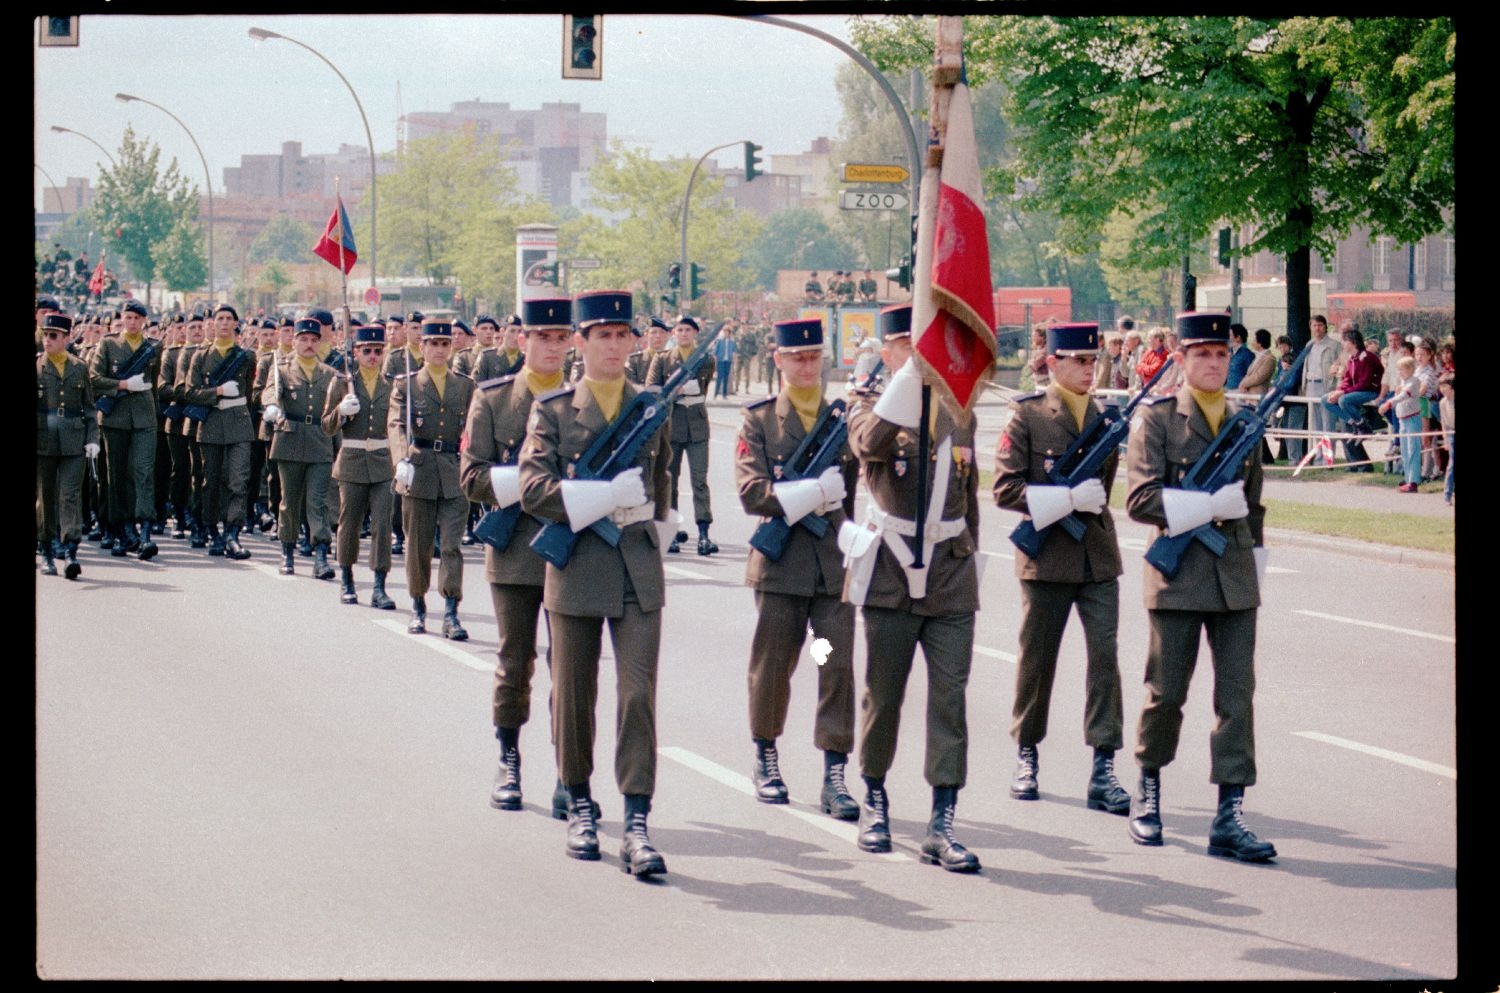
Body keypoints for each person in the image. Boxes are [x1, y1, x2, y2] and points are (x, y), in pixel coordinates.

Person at [518, 289, 673, 877]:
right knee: (575, 696)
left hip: (636, 566)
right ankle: (580, 801)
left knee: (637, 694)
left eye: (622, 335)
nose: (613, 345)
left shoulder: (650, 405)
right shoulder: (553, 410)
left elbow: (662, 483)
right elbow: (534, 490)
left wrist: (661, 522)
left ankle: (637, 819)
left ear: (634, 342)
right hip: (578, 562)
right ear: (579, 342)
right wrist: (601, 496)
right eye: (601, 335)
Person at [1124, 311, 1275, 862]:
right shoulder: (1159, 420)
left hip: (1233, 579)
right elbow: (1139, 500)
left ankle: (1229, 815)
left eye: (1220, 353)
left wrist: (1255, 568)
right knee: (1166, 694)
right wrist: (1207, 506)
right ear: (1182, 361)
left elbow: (1253, 506)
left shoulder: (1244, 424)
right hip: (1178, 575)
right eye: (1201, 354)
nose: (1213, 363)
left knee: (1236, 698)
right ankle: (1149, 792)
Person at [840, 303, 982, 873]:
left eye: (922, 346)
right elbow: (870, 446)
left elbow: (967, 501)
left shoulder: (958, 409)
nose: (918, 356)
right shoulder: (866, 407)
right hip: (891, 573)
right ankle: (875, 797)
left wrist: (970, 558)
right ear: (888, 351)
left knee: (949, 700)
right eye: (906, 345)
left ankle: (942, 820)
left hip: (949, 575)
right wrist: (904, 381)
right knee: (884, 694)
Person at [993, 322, 1130, 816]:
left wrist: (1085, 499)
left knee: (1105, 664)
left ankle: (1104, 765)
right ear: (1052, 362)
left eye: (1093, 361)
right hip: (1046, 556)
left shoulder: (1106, 418)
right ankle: (1026, 753)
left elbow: (1107, 488)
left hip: (1095, 556)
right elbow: (1005, 490)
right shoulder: (1027, 416)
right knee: (1037, 662)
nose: (1088, 369)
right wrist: (1066, 496)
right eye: (1077, 360)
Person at [460, 297, 586, 818]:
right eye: (543, 338)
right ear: (522, 341)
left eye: (561, 339)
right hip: (515, 547)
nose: (553, 347)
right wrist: (529, 485)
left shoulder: (586, 400)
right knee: (516, 662)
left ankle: (566, 771)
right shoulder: (492, 400)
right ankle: (508, 759)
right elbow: (470, 477)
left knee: (570, 669)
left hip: (572, 548)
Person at [735, 317, 860, 819]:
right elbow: (751, 491)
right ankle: (766, 754)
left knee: (832, 664)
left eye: (814, 356)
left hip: (830, 574)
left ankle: (834, 769)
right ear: (778, 359)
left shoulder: (845, 419)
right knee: (774, 667)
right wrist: (809, 493)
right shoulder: (760, 421)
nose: (807, 365)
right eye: (797, 357)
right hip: (782, 571)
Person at [388, 319, 475, 639]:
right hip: (419, 470)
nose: (439, 350)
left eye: (444, 344)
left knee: (451, 545)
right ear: (421, 347)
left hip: (454, 472)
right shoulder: (407, 384)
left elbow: (474, 431)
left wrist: (475, 464)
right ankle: (418, 605)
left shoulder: (465, 385)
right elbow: (396, 424)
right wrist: (400, 460)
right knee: (418, 546)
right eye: (432, 344)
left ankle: (451, 611)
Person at [322, 324, 397, 609]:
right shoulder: (342, 383)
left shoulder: (392, 384)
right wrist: (341, 412)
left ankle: (379, 586)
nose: (373, 356)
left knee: (381, 525)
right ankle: (347, 579)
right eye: (367, 351)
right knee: (349, 524)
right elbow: (326, 425)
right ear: (356, 352)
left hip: (381, 462)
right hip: (352, 462)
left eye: (378, 351)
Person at [261, 318, 338, 579]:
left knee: (317, 501)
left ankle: (320, 555)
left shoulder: (328, 374)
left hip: (319, 439)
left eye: (313, 340)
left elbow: (336, 407)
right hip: (290, 439)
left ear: (320, 343)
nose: (308, 344)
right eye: (303, 339)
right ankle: (288, 551)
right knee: (289, 501)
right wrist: (271, 405)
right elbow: (271, 390)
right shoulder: (281, 368)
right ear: (293, 341)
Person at [180, 304, 256, 560]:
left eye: (228, 319)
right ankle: (212, 531)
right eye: (219, 318)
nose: (224, 323)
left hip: (239, 423)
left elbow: (252, 389)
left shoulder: (246, 357)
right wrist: (218, 392)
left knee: (238, 479)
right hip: (211, 422)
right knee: (210, 482)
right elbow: (189, 393)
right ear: (212, 324)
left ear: (236, 324)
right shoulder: (200, 357)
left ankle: (233, 533)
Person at [88, 298, 161, 561]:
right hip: (115, 420)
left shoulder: (152, 348)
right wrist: (122, 385)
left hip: (144, 420)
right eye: (128, 318)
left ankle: (145, 532)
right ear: (122, 319)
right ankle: (122, 532)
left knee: (142, 471)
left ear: (144, 321)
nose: (132, 323)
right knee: (116, 476)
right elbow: (94, 379)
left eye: (137, 319)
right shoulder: (108, 344)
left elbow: (158, 384)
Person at [647, 315, 718, 555]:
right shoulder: (663, 359)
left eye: (688, 330)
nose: (684, 334)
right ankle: (673, 531)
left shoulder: (706, 360)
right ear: (674, 333)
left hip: (697, 426)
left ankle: (704, 533)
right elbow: (652, 390)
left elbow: (704, 387)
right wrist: (674, 391)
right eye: (680, 330)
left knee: (699, 481)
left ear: (695, 333)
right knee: (671, 481)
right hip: (672, 425)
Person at [37, 313, 97, 580]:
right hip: (43, 440)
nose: (47, 340)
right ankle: (47, 550)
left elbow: (89, 408)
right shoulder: (37, 366)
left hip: (74, 440)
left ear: (66, 338)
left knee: (69, 496)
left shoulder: (79, 367)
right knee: (46, 498)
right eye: (45, 335)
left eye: (53, 336)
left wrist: (93, 438)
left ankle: (71, 549)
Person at [1321, 327, 1383, 472]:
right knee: (1325, 400)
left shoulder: (1366, 357)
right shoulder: (1351, 359)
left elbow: (1365, 383)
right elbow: (1348, 379)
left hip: (1370, 391)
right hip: (1354, 392)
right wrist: (1338, 391)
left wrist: (1342, 392)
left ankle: (1362, 425)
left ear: (1352, 342)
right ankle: (1353, 421)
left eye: (1344, 341)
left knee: (1344, 401)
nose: (1342, 344)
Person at [1377, 355, 1424, 492]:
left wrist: (1388, 404)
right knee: (1404, 450)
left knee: (1413, 449)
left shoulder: (1414, 382)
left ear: (1410, 369)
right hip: (1402, 419)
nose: (1399, 373)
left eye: (1402, 370)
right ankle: (1408, 477)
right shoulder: (1403, 382)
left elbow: (1403, 396)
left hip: (1412, 419)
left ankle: (1414, 481)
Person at [712, 320, 737, 398]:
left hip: (728, 360)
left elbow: (734, 350)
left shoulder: (732, 341)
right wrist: (715, 359)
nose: (726, 333)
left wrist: (733, 358)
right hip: (721, 360)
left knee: (726, 377)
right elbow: (715, 350)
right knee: (720, 376)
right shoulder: (720, 340)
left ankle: (724, 394)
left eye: (728, 332)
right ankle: (716, 393)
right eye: (725, 331)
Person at [1225, 324, 1253, 389]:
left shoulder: (1247, 354)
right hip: (1226, 391)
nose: (1227, 338)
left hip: (1239, 393)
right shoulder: (1229, 352)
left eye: (1230, 335)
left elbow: (1250, 375)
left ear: (1238, 337)